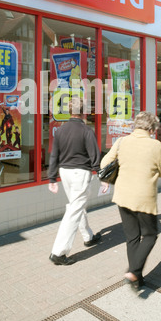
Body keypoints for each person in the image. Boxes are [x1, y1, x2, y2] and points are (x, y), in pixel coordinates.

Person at [100, 111, 161, 289]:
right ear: (151, 128)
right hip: (143, 199)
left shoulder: (122, 142)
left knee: (132, 237)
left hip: (123, 196)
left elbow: (104, 163)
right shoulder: (155, 145)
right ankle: (133, 271)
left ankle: (137, 278)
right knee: (150, 235)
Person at [48, 96, 102, 266]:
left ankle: (88, 236)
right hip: (80, 173)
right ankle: (59, 252)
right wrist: (102, 175)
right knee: (74, 209)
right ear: (84, 111)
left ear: (69, 111)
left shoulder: (61, 130)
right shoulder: (86, 131)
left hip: (65, 173)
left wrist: (51, 177)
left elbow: (54, 155)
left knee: (76, 204)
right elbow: (95, 156)